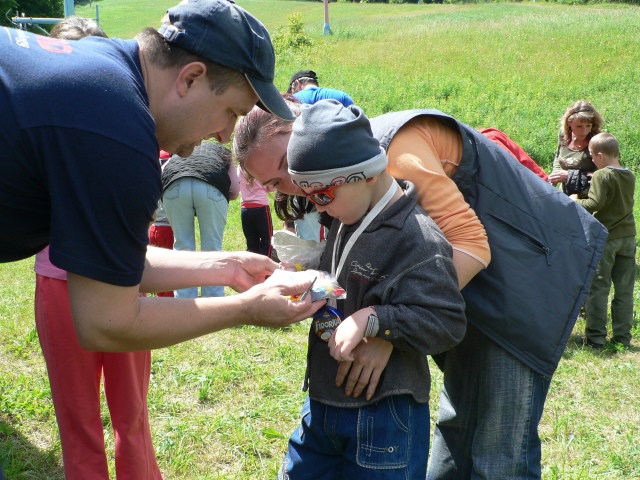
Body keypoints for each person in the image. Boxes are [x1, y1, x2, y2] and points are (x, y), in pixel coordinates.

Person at [233, 97, 607, 479]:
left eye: (284, 168)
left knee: (499, 447)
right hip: (471, 287)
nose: (295, 186)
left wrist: (387, 333)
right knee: (460, 420)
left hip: (526, 276)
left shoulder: (387, 159)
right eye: (278, 183)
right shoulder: (341, 188)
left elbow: (471, 244)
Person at [0, 0, 322, 363]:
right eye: (231, 112)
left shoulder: (103, 71)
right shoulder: (119, 132)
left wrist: (227, 267)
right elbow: (105, 322)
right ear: (190, 78)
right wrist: (246, 308)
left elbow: (114, 259)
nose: (223, 135)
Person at [278, 99, 466, 479]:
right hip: (324, 403)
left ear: (363, 174)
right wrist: (306, 274)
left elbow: (447, 321)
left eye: (323, 195)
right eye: (308, 197)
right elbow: (343, 280)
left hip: (383, 415)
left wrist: (374, 319)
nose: (320, 208)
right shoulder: (348, 214)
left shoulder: (419, 239)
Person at [31, 17, 163, 480]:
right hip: (57, 282)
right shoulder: (41, 124)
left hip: (121, 276)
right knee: (77, 417)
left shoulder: (128, 125)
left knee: (132, 415)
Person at [572, 133, 636, 349]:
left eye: (591, 155)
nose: (591, 159)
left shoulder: (601, 175)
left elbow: (594, 204)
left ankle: (596, 337)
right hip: (628, 238)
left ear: (600, 155)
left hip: (607, 238)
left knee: (599, 288)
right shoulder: (630, 175)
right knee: (624, 289)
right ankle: (622, 338)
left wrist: (574, 201)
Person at [162, 142, 239, 297]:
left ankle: (184, 305)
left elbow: (163, 172)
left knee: (182, 248)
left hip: (174, 183)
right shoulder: (224, 152)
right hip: (211, 183)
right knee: (212, 249)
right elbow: (235, 191)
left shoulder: (179, 147)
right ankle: (213, 304)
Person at [548, 100, 604, 198]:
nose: (584, 131)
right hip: (565, 193)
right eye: (579, 126)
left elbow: (607, 175)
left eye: (588, 126)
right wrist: (555, 176)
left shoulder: (598, 141)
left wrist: (570, 176)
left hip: (591, 199)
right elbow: (558, 156)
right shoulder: (564, 135)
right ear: (569, 122)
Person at [149, 150, 175, 297]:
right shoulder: (172, 176)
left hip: (153, 227)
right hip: (167, 227)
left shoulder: (150, 175)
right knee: (168, 271)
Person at [237, 166, 274, 257]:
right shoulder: (259, 164)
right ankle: (265, 267)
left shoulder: (240, 167)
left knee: (251, 244)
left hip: (245, 209)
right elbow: (271, 187)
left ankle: (253, 268)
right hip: (261, 207)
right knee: (267, 242)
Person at [287, 69, 354, 107]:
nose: (292, 94)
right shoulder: (342, 96)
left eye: (292, 90)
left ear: (298, 84)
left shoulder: (291, 101)